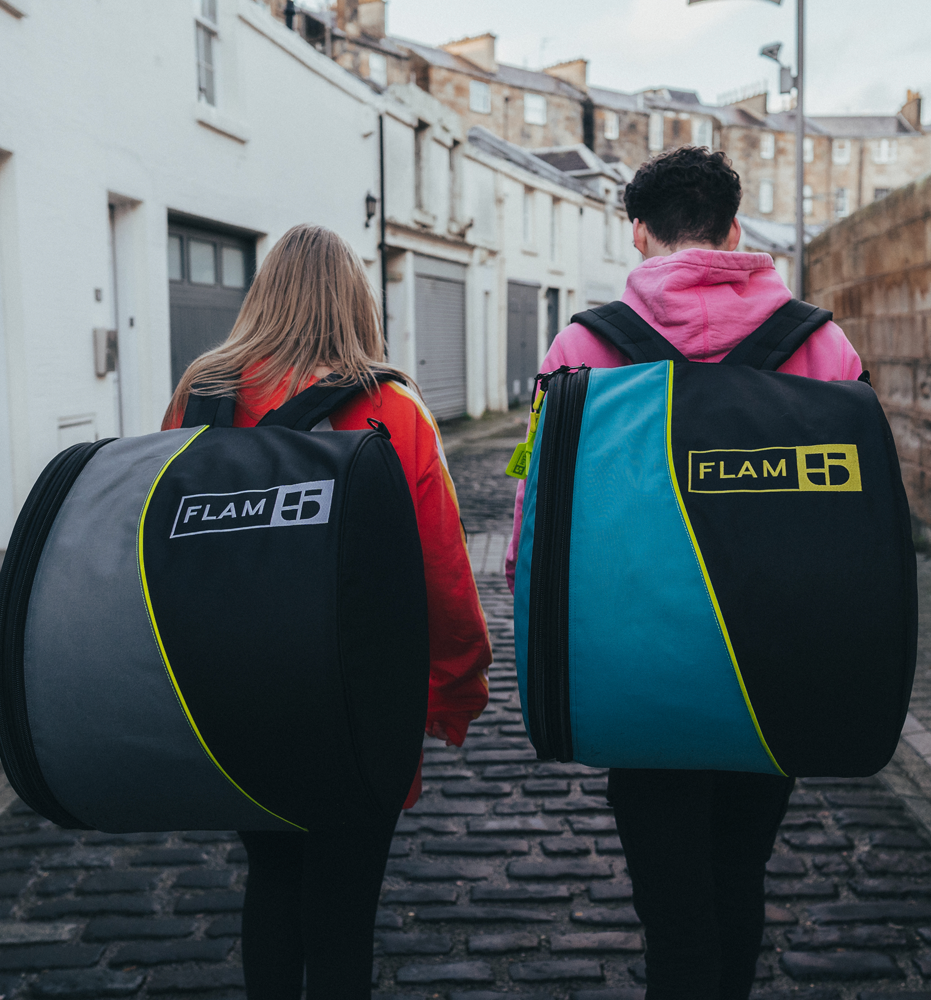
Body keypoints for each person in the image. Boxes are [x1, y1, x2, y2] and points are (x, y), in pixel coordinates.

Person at [505, 146, 862, 1000]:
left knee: (668, 896)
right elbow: (857, 517)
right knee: (741, 871)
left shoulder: (583, 345)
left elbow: (534, 512)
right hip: (773, 658)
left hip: (638, 661)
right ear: (735, 230)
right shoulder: (822, 342)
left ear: (637, 234)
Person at [163, 223, 491, 1000]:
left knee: (272, 876)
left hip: (233, 692)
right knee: (344, 905)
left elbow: (162, 541)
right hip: (357, 702)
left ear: (263, 295)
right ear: (356, 301)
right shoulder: (392, 408)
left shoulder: (202, 394)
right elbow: (442, 572)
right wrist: (454, 692)